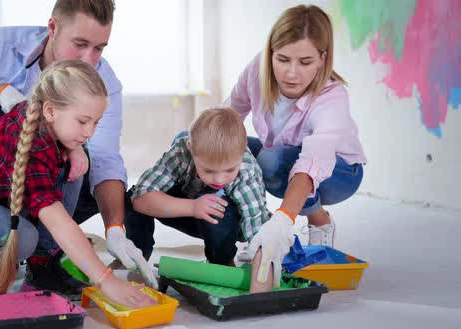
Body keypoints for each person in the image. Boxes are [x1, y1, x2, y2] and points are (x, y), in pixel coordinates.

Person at [0, 0, 156, 290]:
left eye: (99, 48)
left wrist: (115, 230)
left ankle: (44, 263)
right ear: (53, 28)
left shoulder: (101, 84)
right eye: (79, 43)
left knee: (80, 163)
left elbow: (106, 159)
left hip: (29, 174)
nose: (87, 59)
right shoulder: (2, 45)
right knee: (24, 237)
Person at [226, 4, 366, 256]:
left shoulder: (332, 97)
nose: (292, 73)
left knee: (270, 161)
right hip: (280, 156)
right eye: (282, 59)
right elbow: (228, 117)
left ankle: (318, 219)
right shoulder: (257, 69)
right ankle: (256, 228)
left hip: (340, 173)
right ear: (270, 53)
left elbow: (312, 162)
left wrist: (282, 222)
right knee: (219, 145)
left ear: (322, 59)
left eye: (305, 62)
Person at [125, 108, 291, 292]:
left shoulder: (247, 169)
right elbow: (140, 197)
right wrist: (193, 207)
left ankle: (221, 260)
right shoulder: (181, 152)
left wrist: (261, 287)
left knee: (214, 202)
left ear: (242, 151)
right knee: (131, 196)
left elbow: (258, 231)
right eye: (209, 171)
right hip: (190, 209)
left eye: (229, 170)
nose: (219, 180)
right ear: (191, 148)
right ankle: (137, 256)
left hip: (230, 223)